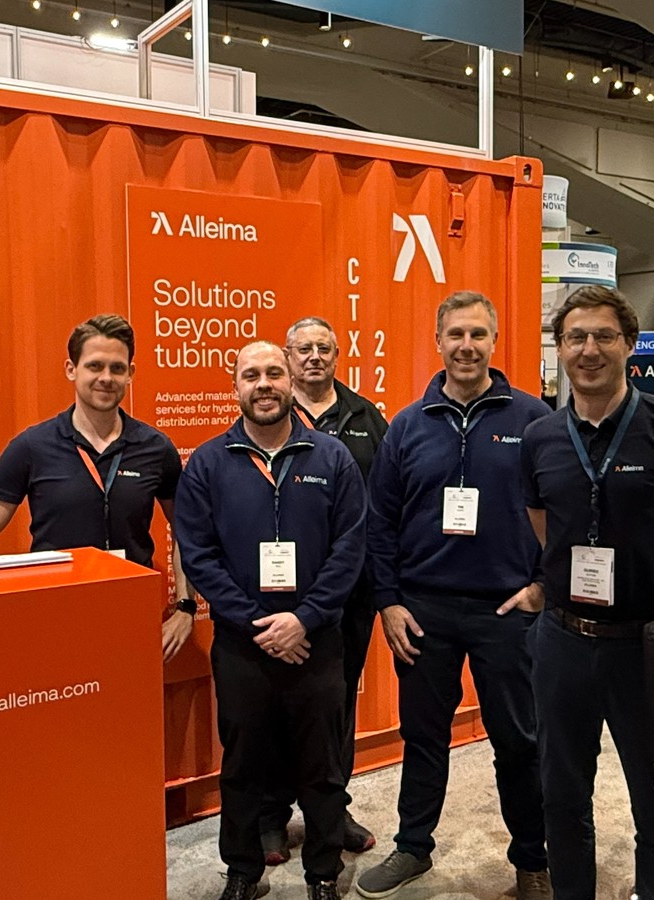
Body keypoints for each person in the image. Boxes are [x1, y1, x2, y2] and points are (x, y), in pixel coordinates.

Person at [521, 286, 654, 900]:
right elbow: (549, 534)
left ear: (629, 346)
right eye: (575, 338)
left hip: (650, 647)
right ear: (560, 349)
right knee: (561, 794)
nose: (589, 350)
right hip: (562, 644)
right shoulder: (540, 438)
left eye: (604, 337)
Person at [358, 291, 553, 900]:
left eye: (478, 335)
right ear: (437, 342)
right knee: (422, 738)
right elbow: (378, 521)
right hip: (423, 612)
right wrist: (388, 601)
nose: (466, 346)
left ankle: (532, 861)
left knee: (518, 743)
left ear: (494, 343)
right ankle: (413, 847)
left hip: (507, 611)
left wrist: (544, 588)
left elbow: (568, 510)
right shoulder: (407, 426)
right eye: (455, 335)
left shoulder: (533, 419)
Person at [173, 341, 368, 900]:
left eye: (273, 373)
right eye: (250, 375)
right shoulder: (209, 463)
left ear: (290, 383)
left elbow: (350, 547)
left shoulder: (331, 458)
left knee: (323, 767)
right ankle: (241, 871)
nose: (264, 384)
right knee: (242, 766)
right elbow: (199, 553)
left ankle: (323, 874)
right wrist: (263, 624)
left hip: (318, 643)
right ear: (234, 387)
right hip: (242, 646)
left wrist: (303, 620)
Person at [0, 314, 194, 662]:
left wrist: (186, 607)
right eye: (94, 366)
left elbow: (186, 531)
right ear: (71, 369)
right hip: (51, 619)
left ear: (131, 374)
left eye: (117, 368)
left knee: (130, 716)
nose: (106, 378)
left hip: (133, 618)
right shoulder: (32, 446)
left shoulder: (156, 448)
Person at [259, 317, 389, 864]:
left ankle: (330, 812)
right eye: (302, 349)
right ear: (287, 358)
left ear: (338, 354)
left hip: (345, 597)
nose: (313, 357)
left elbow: (384, 507)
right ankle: (270, 816)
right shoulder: (265, 415)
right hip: (275, 598)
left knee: (335, 707)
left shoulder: (366, 418)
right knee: (270, 707)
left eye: (323, 348)